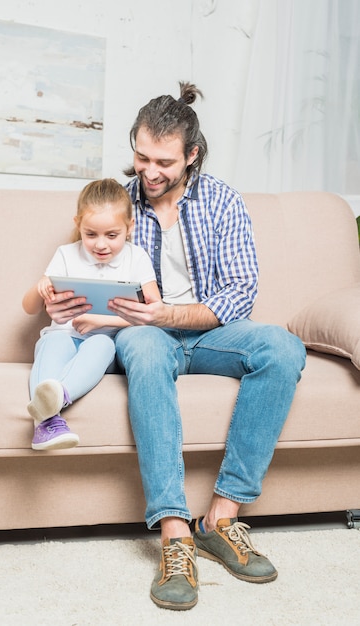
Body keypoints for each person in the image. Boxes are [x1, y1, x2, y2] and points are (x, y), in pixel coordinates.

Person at [44, 83, 306, 611]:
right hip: (145, 335)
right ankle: (174, 535)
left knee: (282, 347)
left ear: (192, 155)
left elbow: (238, 291)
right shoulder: (117, 202)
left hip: (208, 331)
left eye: (164, 160)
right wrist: (62, 303)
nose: (150, 171)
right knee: (141, 344)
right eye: (142, 157)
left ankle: (220, 519)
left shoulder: (222, 200)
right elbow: (80, 266)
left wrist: (169, 312)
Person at [22, 178, 160, 452]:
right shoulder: (66, 254)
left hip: (101, 343)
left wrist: (102, 321)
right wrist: (39, 289)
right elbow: (29, 308)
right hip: (62, 334)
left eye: (112, 235)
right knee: (55, 341)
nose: (100, 245)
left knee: (103, 343)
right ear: (78, 225)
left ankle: (57, 399)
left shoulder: (137, 258)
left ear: (129, 228)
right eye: (90, 234)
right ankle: (47, 425)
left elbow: (153, 312)